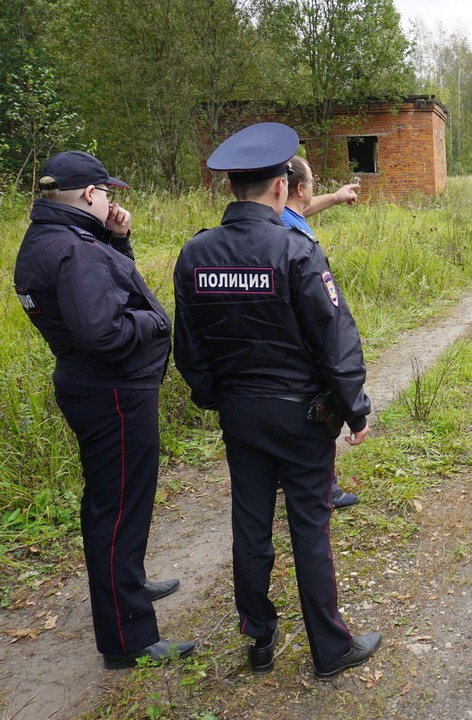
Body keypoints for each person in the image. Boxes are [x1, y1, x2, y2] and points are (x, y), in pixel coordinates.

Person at [173, 122, 381, 678]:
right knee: (308, 526)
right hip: (300, 416)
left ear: (232, 189)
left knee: (249, 524)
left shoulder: (195, 254)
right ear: (282, 188)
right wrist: (354, 407)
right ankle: (330, 648)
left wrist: (219, 397)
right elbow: (334, 337)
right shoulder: (296, 250)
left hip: (241, 414)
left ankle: (259, 636)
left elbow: (188, 349)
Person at [13, 151, 194, 668]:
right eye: (107, 193)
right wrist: (155, 323)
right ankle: (127, 638)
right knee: (117, 511)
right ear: (91, 194)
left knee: (113, 502)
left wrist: (118, 239)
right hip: (112, 392)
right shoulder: (75, 250)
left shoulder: (48, 239)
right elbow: (103, 331)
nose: (112, 201)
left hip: (93, 389)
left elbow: (107, 291)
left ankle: (128, 588)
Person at [282, 156, 361, 509]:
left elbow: (303, 207)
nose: (314, 190)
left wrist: (337, 196)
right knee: (316, 403)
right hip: (303, 335)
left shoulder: (278, 215)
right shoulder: (291, 234)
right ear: (298, 188)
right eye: (312, 183)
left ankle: (287, 477)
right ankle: (322, 488)